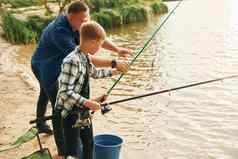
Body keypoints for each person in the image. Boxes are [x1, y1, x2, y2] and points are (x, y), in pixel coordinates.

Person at [31, 0, 131, 135]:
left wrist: (117, 49)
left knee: (45, 92)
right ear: (70, 18)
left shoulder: (80, 24)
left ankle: (40, 123)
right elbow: (84, 59)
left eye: (87, 19)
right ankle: (62, 147)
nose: (86, 23)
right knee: (58, 101)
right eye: (83, 20)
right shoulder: (59, 32)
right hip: (44, 65)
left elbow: (96, 36)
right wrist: (114, 63)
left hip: (59, 61)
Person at [55, 21, 127, 159]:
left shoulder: (86, 57)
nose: (100, 48)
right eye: (100, 45)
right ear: (92, 42)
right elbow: (65, 92)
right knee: (72, 152)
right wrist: (89, 103)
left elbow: (96, 73)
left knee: (89, 145)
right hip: (69, 115)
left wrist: (117, 71)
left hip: (83, 112)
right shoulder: (71, 61)